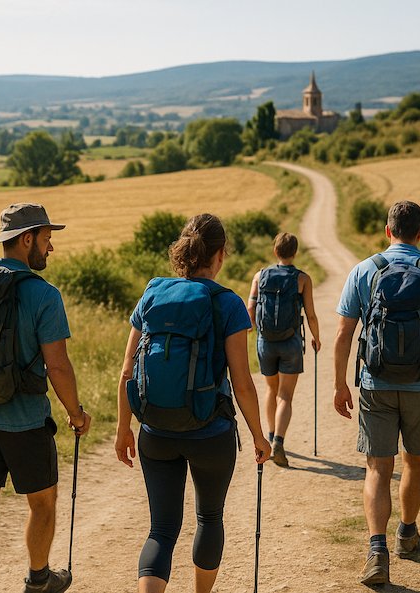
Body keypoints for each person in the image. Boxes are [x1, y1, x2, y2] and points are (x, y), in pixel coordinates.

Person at [115, 213, 271, 593]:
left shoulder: (153, 291)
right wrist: (259, 436)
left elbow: (127, 371)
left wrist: (124, 429)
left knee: (161, 529)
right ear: (220, 254)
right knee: (209, 517)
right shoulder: (228, 303)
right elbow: (242, 382)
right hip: (211, 433)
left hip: (156, 430)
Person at [0, 203, 92, 593]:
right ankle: (38, 581)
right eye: (47, 240)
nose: (50, 249)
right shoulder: (42, 294)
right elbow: (58, 366)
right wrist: (76, 413)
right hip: (26, 421)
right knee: (43, 502)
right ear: (26, 239)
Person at [333, 201, 420, 585]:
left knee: (378, 466)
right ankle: (407, 533)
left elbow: (344, 333)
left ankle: (376, 551)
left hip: (375, 383)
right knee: (415, 461)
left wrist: (340, 384)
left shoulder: (365, 270)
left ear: (388, 231)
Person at [246, 232, 321, 467]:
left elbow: (250, 307)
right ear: (295, 252)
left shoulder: (260, 276)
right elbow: (310, 314)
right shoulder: (303, 279)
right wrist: (316, 338)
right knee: (285, 396)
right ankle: (279, 440)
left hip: (265, 342)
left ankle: (269, 436)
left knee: (271, 390)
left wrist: (252, 328)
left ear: (275, 251)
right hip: (290, 343)